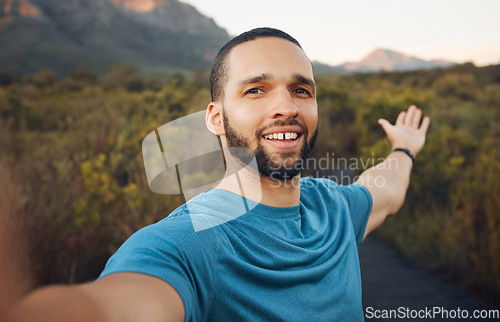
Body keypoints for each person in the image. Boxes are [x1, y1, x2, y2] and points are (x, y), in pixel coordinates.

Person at [5, 27, 430, 322]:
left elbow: (388, 189)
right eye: (255, 90)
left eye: (301, 89)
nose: (286, 106)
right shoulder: (188, 242)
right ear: (215, 117)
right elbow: (114, 305)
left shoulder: (334, 207)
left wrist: (404, 148)